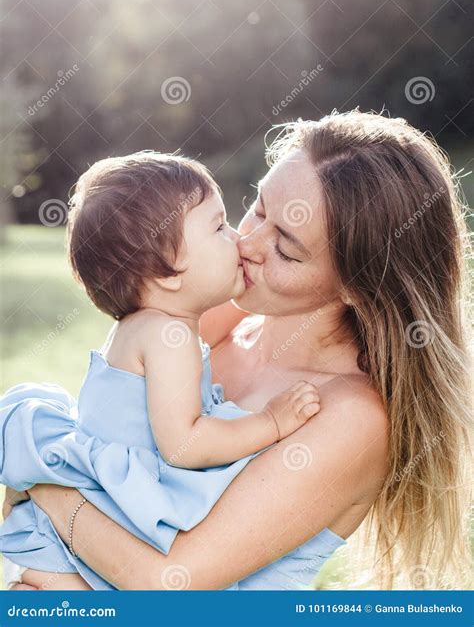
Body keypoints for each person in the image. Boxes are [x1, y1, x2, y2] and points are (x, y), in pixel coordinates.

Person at [3, 110, 471, 590]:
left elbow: (166, 583)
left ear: (358, 285)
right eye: (259, 209)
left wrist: (43, 480)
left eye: (287, 250)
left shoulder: (352, 416)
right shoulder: (223, 317)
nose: (247, 243)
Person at [0, 152, 320, 590]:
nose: (239, 240)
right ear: (168, 273)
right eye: (218, 227)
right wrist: (271, 422)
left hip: (65, 546)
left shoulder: (143, 328)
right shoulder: (170, 338)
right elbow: (185, 444)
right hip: (82, 558)